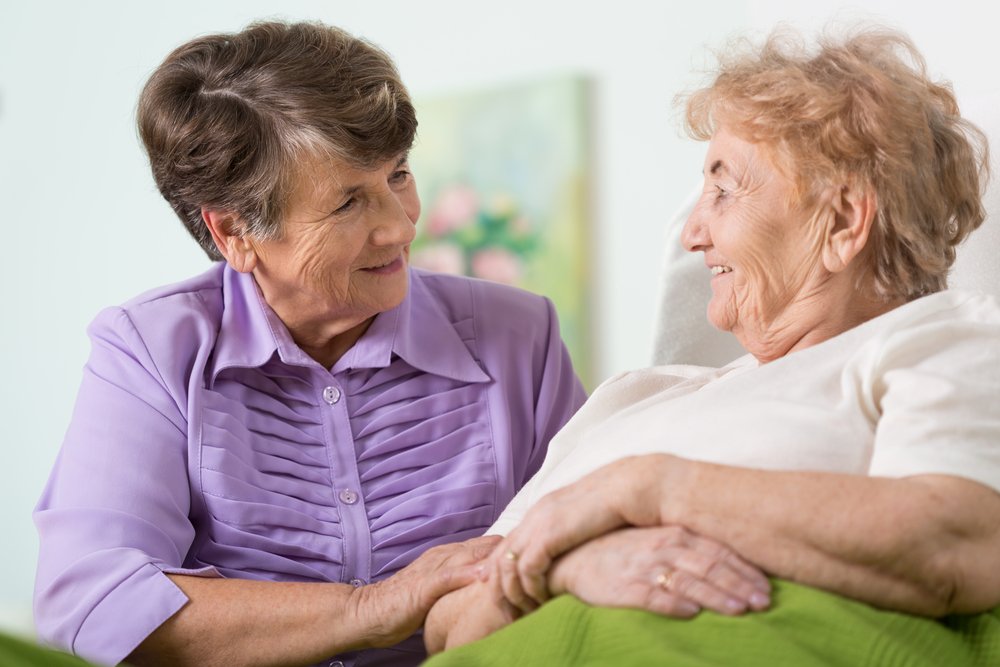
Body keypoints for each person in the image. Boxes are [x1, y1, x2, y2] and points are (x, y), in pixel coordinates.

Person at [422, 26, 1000, 661]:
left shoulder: (941, 338)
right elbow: (447, 621)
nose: (692, 233)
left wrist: (651, 489)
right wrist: (560, 571)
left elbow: (959, 543)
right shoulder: (635, 396)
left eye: (724, 190)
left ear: (842, 221)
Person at [32, 20, 586, 667]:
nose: (400, 225)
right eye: (349, 202)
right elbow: (90, 602)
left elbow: (589, 548)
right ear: (234, 229)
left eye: (398, 175)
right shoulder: (151, 351)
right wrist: (375, 607)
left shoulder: (521, 336)